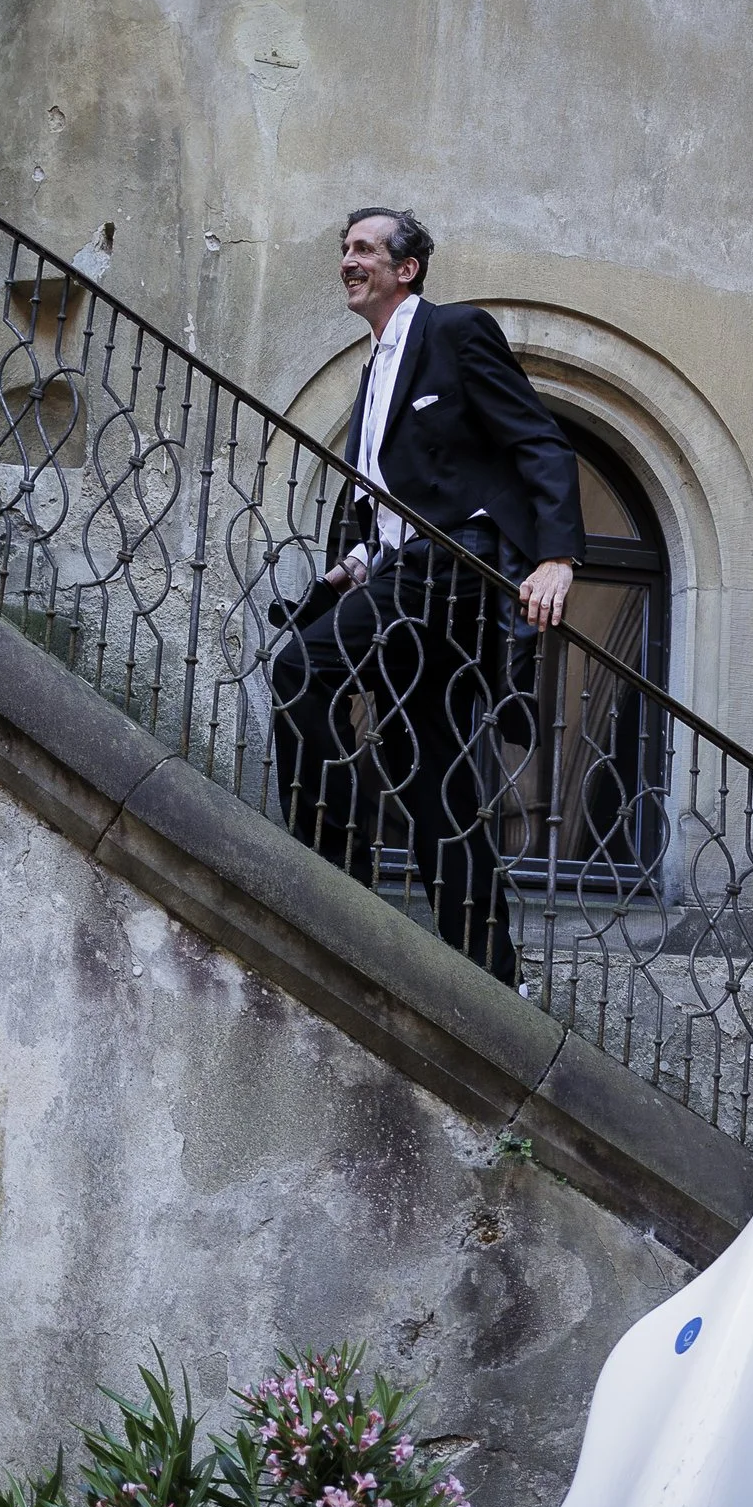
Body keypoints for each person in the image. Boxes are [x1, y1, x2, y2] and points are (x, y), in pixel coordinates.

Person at [271, 208, 584, 984]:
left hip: (452, 570)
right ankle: (490, 966)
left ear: (406, 268)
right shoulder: (374, 366)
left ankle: (332, 878)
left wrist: (557, 557)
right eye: (343, 248)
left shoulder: (454, 333)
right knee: (424, 760)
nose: (348, 260)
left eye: (365, 249)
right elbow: (388, 492)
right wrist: (353, 558)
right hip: (398, 571)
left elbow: (537, 440)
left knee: (300, 671)